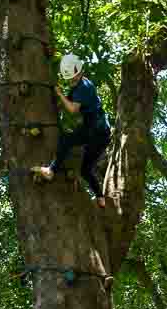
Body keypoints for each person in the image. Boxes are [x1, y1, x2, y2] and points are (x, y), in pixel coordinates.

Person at [33, 54, 111, 207]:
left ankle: (51, 170)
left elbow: (72, 108)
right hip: (101, 133)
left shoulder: (84, 87)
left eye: (75, 77)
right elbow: (67, 102)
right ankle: (101, 198)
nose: (73, 80)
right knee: (85, 169)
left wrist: (59, 94)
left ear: (80, 72)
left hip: (96, 129)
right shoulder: (78, 86)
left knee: (66, 139)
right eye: (71, 79)